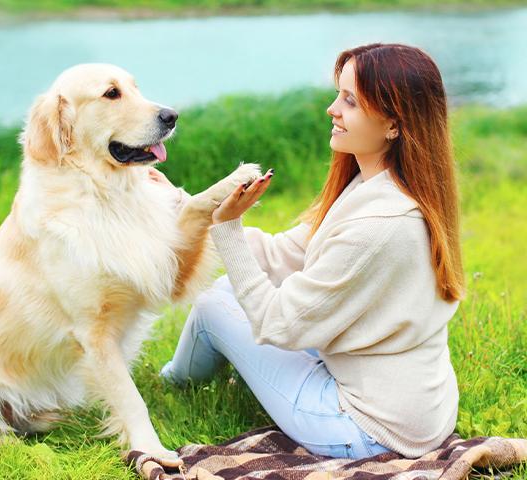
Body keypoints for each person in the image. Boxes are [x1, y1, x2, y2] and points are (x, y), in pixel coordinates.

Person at [152, 43, 465, 460]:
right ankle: (178, 380)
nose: (331, 109)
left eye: (350, 100)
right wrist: (183, 204)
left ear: (393, 123)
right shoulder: (381, 187)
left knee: (212, 305)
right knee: (231, 288)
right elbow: (282, 254)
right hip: (419, 408)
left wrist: (228, 229)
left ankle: (172, 385)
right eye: (338, 94)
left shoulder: (379, 226)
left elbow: (277, 324)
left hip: (367, 428)